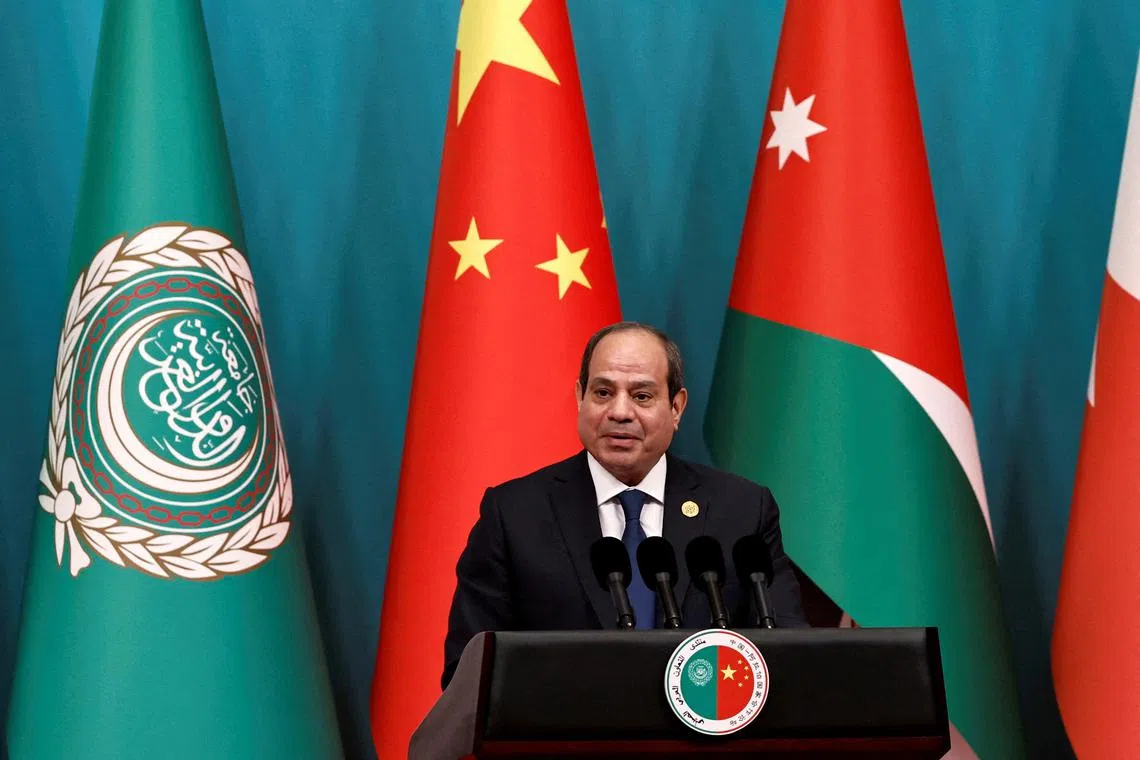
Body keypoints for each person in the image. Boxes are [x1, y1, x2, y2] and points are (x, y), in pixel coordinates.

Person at [442, 321, 806, 687]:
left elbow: (788, 654)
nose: (620, 412)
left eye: (642, 396)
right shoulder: (514, 514)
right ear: (579, 397)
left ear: (676, 407)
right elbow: (468, 675)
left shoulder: (741, 510)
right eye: (602, 392)